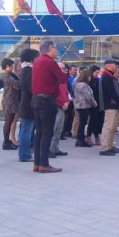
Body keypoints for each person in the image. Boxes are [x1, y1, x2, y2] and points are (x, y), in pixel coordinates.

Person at [31, 41, 68, 173]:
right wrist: (63, 72)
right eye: (55, 48)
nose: (57, 51)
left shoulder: (37, 61)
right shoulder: (50, 62)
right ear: (50, 48)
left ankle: (37, 163)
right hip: (47, 99)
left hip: (36, 99)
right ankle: (44, 164)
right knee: (47, 132)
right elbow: (63, 79)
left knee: (39, 132)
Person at [17, 48, 38, 162]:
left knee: (26, 129)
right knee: (26, 129)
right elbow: (31, 88)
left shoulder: (26, 69)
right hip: (28, 104)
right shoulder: (28, 70)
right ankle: (24, 154)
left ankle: (25, 152)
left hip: (26, 103)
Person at [101, 60, 119, 153]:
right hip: (110, 104)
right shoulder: (106, 76)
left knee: (113, 127)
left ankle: (110, 145)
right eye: (115, 64)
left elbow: (116, 91)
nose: (116, 66)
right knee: (108, 126)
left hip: (114, 104)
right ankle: (105, 147)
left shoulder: (110, 76)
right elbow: (111, 92)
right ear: (108, 65)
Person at [49, 62, 70, 158]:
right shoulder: (53, 80)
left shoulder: (63, 80)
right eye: (59, 68)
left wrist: (67, 102)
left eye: (63, 68)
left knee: (59, 129)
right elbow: (54, 95)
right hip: (56, 107)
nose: (61, 70)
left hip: (63, 107)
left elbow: (66, 94)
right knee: (53, 129)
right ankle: (49, 149)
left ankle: (55, 148)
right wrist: (62, 104)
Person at [0, 58, 21, 151]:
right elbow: (17, 84)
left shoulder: (10, 74)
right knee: (8, 121)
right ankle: (5, 141)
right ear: (7, 66)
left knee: (10, 120)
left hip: (12, 100)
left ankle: (7, 140)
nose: (13, 68)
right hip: (9, 101)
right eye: (11, 66)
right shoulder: (5, 75)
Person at [74, 68, 97, 147]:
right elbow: (88, 96)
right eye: (89, 76)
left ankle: (79, 140)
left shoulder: (78, 84)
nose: (90, 78)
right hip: (84, 106)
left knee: (81, 123)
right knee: (82, 124)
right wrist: (94, 103)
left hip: (79, 106)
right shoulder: (84, 85)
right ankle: (81, 140)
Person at [86, 65, 103, 145]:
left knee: (96, 121)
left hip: (97, 103)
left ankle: (96, 137)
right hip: (91, 103)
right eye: (96, 72)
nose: (98, 74)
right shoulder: (89, 80)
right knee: (92, 121)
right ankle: (88, 136)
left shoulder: (97, 80)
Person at [62, 64, 77, 138]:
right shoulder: (67, 78)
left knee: (70, 116)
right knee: (66, 116)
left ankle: (67, 131)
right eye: (74, 69)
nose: (75, 71)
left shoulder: (71, 78)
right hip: (65, 100)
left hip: (70, 99)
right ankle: (64, 131)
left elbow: (70, 89)